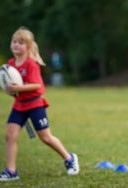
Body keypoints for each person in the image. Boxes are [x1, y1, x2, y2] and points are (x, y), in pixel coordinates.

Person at [0, 27, 79, 181]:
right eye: (14, 42)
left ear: (28, 47)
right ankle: (11, 171)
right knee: (10, 136)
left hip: (35, 105)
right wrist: (9, 89)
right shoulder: (10, 64)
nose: (16, 45)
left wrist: (18, 88)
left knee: (45, 137)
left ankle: (69, 158)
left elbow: (38, 86)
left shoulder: (31, 64)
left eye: (21, 43)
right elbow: (11, 86)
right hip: (19, 106)